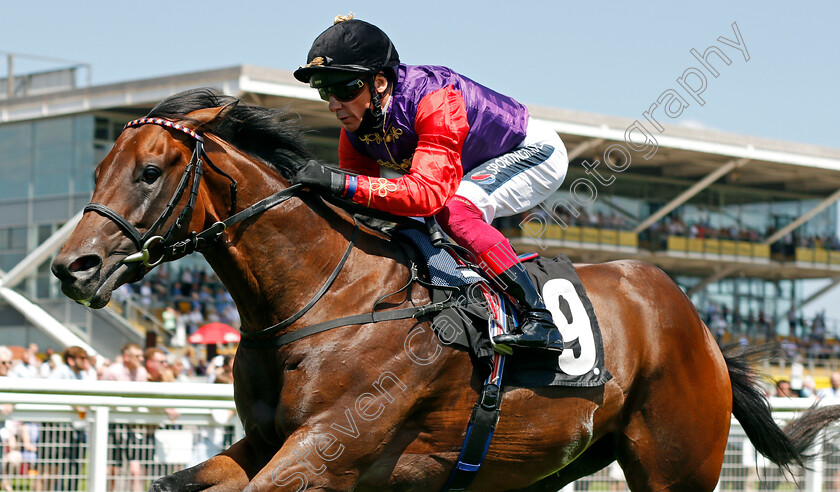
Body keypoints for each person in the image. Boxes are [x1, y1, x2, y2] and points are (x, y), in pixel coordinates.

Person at [292, 16, 569, 353]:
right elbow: (359, 198)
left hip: (532, 151)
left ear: (379, 82)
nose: (335, 104)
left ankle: (540, 318)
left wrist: (337, 181)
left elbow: (427, 196)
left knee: (454, 214)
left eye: (345, 89)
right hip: (470, 168)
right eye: (325, 91)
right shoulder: (355, 128)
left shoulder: (436, 98)